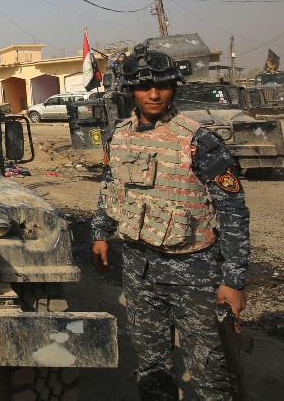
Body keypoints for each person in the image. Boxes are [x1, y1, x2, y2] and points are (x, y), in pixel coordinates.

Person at [91, 44, 250, 401]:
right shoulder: (119, 136)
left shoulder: (198, 140)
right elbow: (110, 187)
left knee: (212, 371)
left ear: (174, 87)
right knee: (151, 367)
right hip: (138, 268)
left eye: (162, 84)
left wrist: (233, 279)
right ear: (129, 90)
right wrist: (100, 233)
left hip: (193, 272)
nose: (153, 93)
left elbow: (233, 210)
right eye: (143, 86)